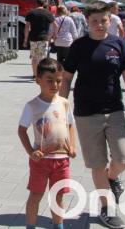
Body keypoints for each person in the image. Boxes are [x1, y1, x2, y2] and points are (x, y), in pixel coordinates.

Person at [59, 1, 125, 229]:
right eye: (94, 21)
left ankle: (112, 176)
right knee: (97, 163)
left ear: (110, 20)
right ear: (87, 22)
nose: (99, 25)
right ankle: (107, 209)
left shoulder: (117, 44)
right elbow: (67, 78)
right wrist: (61, 105)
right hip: (86, 113)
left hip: (114, 110)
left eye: (103, 20)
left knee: (124, 157)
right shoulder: (79, 46)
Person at [18, 58, 76, 229]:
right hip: (40, 161)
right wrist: (30, 152)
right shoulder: (32, 106)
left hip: (62, 160)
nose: (55, 85)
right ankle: (30, 225)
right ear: (38, 80)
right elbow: (21, 130)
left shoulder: (64, 103)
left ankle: (58, 225)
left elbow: (70, 124)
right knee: (36, 194)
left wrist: (72, 146)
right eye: (49, 81)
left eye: (59, 81)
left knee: (58, 195)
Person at [24, 0, 56, 78]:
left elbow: (27, 27)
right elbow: (55, 25)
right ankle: (41, 75)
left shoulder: (31, 13)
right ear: (44, 3)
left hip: (33, 38)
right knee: (42, 58)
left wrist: (25, 39)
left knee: (34, 58)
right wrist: (53, 36)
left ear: (36, 3)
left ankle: (35, 75)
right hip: (44, 38)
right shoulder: (48, 13)